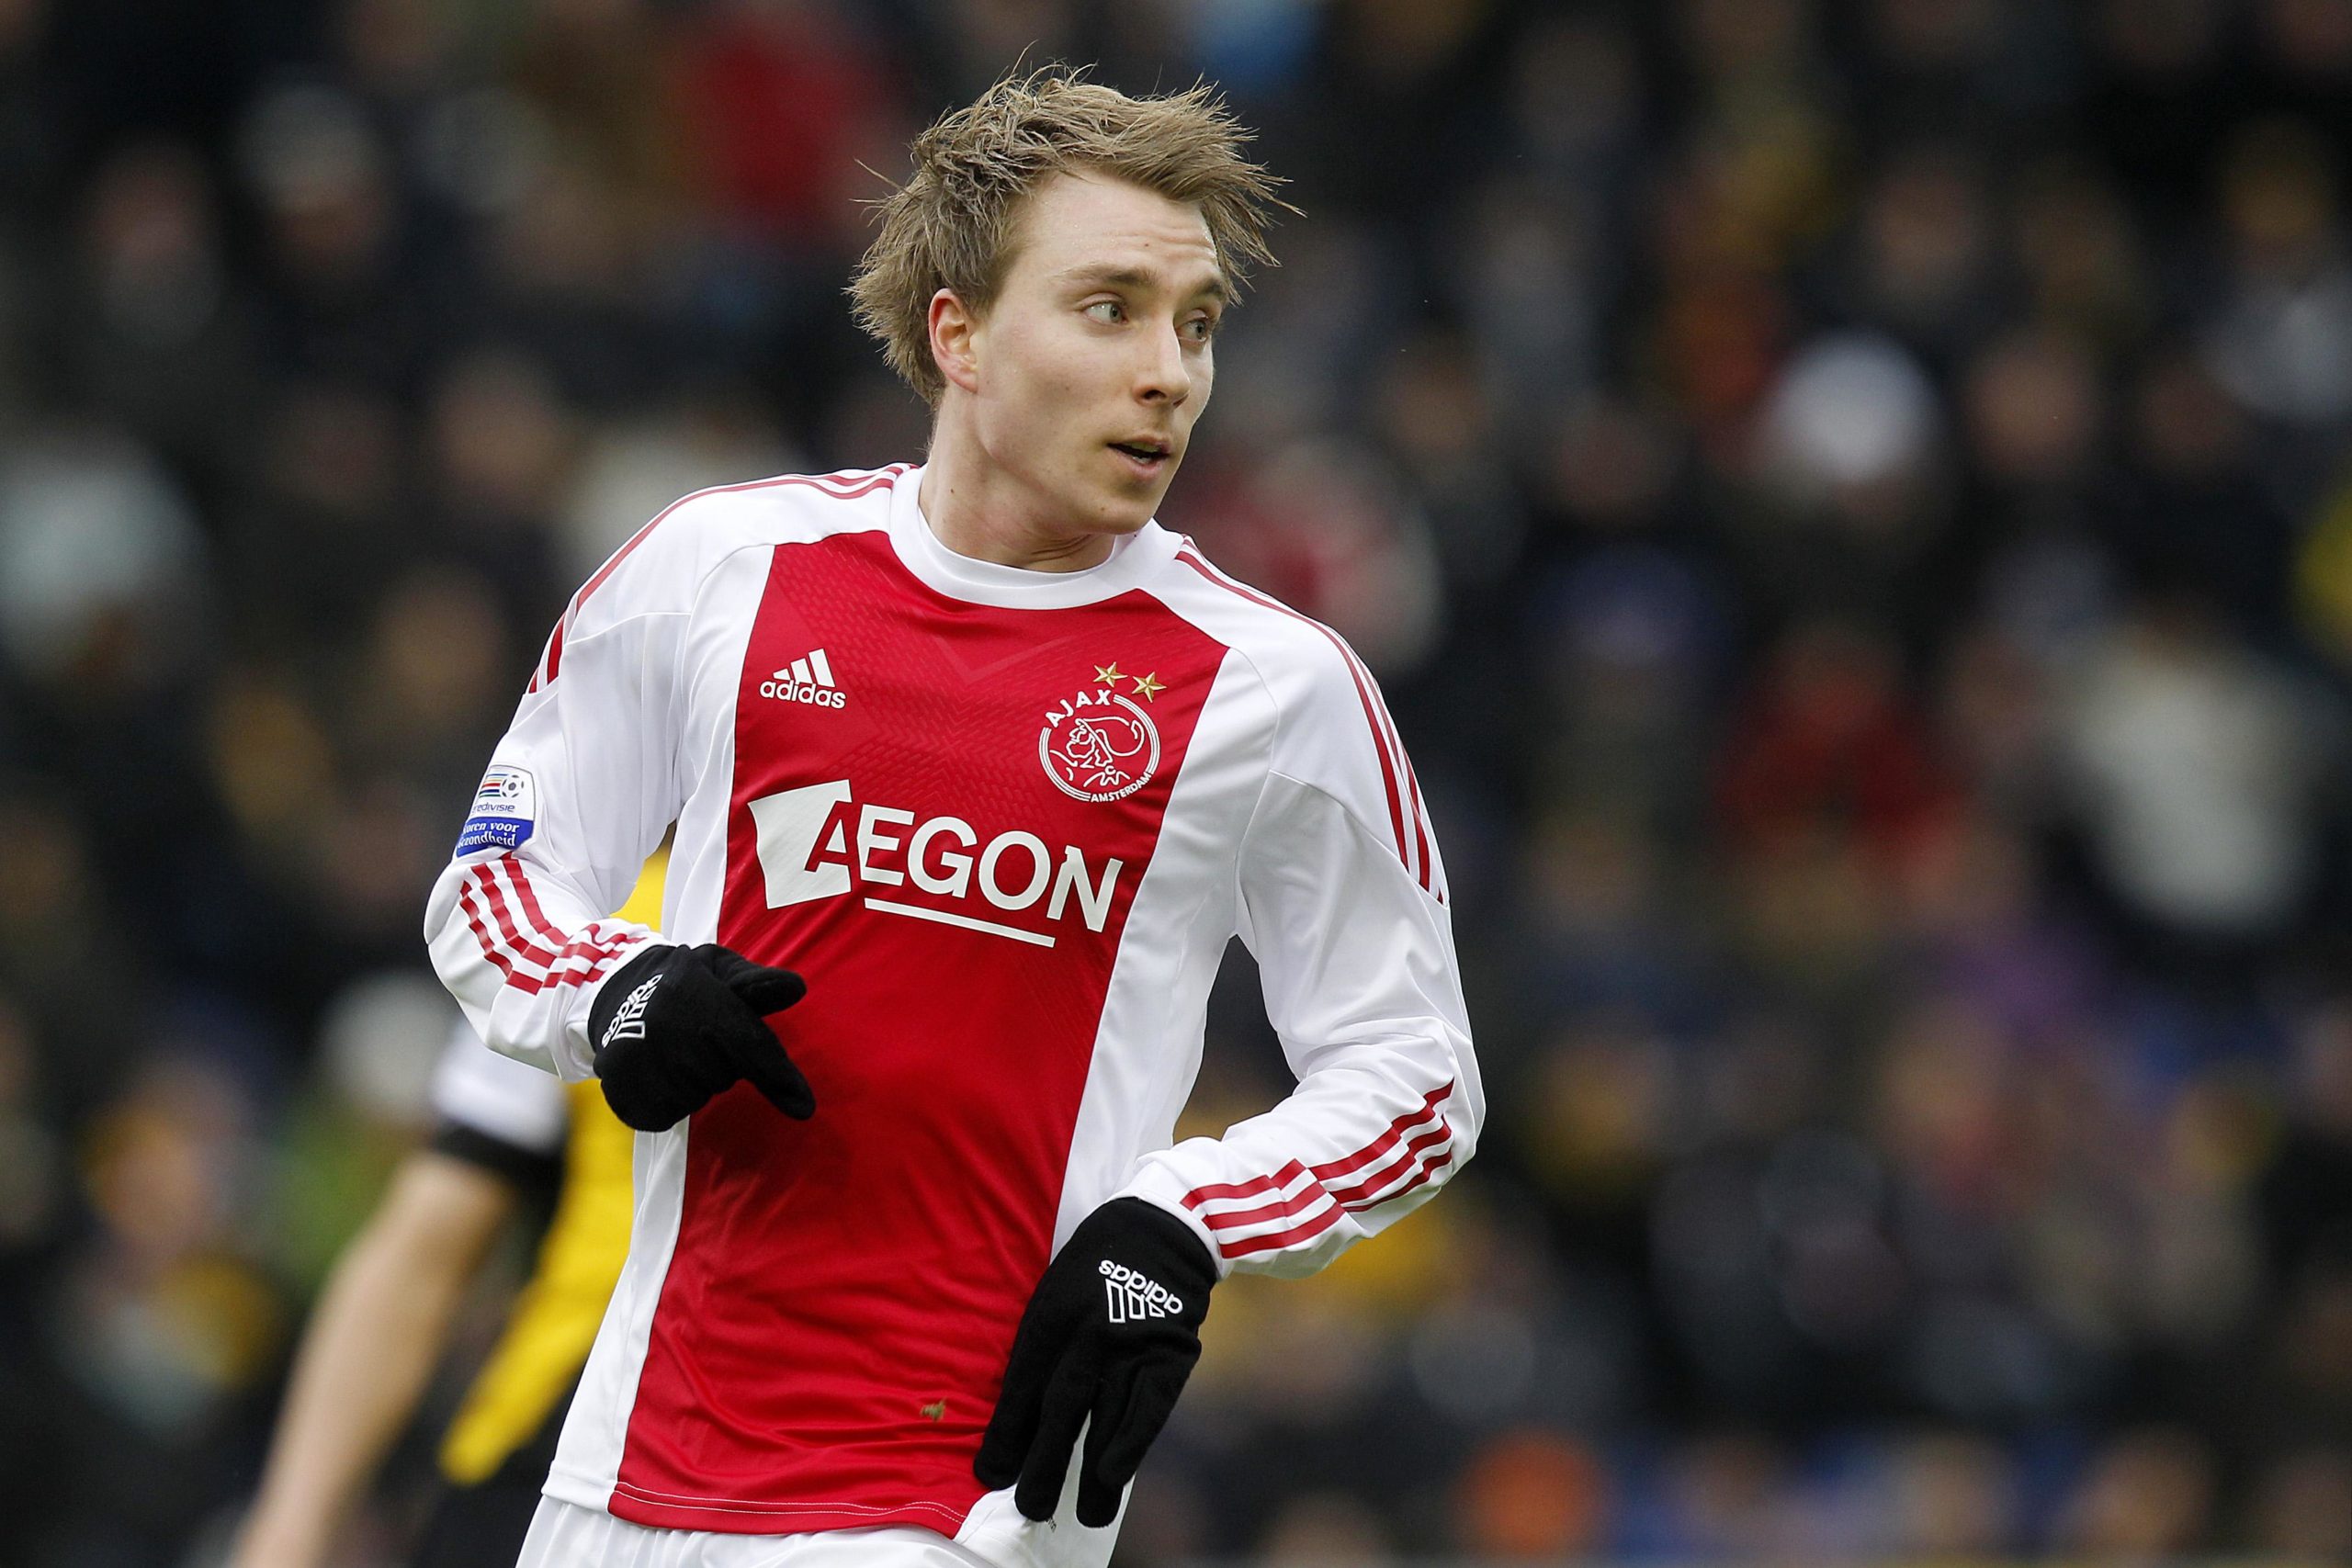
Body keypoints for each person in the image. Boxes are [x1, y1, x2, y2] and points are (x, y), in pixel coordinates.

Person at [421, 71, 1479, 1568]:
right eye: (1110, 310)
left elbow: (1417, 1070)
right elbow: (496, 883)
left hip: (963, 1508)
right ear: (958, 333)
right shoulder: (719, 567)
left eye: (1196, 325)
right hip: (627, 1481)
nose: (1170, 373)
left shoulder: (1271, 683)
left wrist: (1184, 1217)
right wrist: (615, 989)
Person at [232, 858, 662, 1568]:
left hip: (825, 1473)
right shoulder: (599, 932)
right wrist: (287, 1534)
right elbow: (423, 1251)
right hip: (562, 1460)